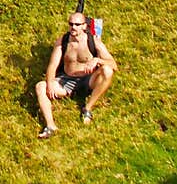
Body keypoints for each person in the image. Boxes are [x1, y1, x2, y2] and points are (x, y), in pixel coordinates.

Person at [35, 11, 118, 139]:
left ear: (85, 26)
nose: (73, 27)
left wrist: (97, 60)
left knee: (107, 71)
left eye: (77, 24)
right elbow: (52, 65)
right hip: (67, 80)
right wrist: (50, 83)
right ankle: (50, 126)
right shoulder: (63, 41)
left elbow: (113, 64)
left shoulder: (93, 41)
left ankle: (87, 108)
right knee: (40, 86)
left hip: (88, 79)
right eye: (71, 24)